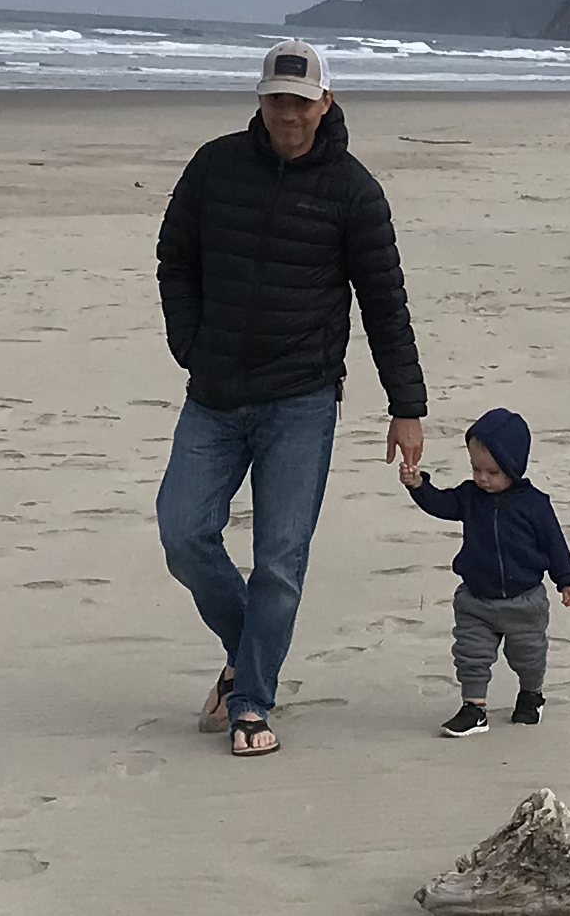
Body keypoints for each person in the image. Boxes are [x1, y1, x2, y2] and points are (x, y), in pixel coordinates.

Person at [156, 41, 427, 759]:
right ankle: (252, 653)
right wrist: (190, 341)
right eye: (277, 99)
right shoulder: (215, 167)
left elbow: (385, 304)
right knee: (183, 534)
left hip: (301, 403)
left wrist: (408, 406)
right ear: (260, 100)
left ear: (326, 104)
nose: (289, 113)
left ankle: (250, 699)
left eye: (302, 101)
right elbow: (174, 258)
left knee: (280, 559)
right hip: (213, 394)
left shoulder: (354, 192)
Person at [401, 408, 570, 738]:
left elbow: (554, 543)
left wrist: (567, 579)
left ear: (514, 467)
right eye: (476, 469)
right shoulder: (470, 497)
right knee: (471, 654)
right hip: (476, 599)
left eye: (493, 471)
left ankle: (531, 695)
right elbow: (442, 505)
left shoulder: (535, 504)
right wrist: (419, 485)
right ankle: (474, 708)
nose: (482, 478)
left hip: (524, 601)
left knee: (528, 656)